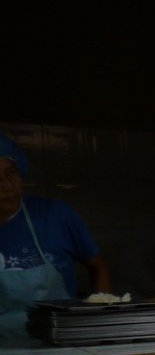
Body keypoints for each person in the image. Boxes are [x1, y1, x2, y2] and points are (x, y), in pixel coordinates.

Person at [0, 132, 112, 338]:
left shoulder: (56, 215)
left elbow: (98, 265)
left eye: (12, 173)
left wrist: (99, 319)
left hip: (60, 342)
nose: (6, 186)